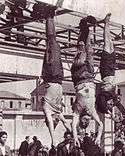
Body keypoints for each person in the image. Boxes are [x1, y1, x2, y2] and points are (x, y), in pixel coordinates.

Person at [71, 15, 103, 147]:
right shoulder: (92, 111)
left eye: (83, 121)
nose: (86, 118)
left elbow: (73, 125)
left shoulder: (77, 111)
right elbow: (100, 124)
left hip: (79, 77)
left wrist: (75, 137)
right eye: (87, 121)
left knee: (81, 49)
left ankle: (83, 26)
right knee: (89, 50)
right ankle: (86, 27)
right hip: (89, 76)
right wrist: (99, 137)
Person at [41, 5, 70, 149]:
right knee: (55, 44)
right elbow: (65, 122)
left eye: (54, 121)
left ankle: (49, 16)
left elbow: (51, 124)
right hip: (58, 78)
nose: (56, 120)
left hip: (51, 75)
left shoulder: (47, 110)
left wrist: (53, 139)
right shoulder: (57, 113)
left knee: (51, 41)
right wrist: (74, 133)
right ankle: (50, 16)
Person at [96, 13, 125, 120]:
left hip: (106, 71)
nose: (111, 104)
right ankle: (106, 24)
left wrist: (109, 113)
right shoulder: (112, 97)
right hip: (111, 71)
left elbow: (102, 105)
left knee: (107, 43)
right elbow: (119, 105)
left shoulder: (102, 96)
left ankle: (106, 22)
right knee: (111, 44)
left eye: (109, 105)